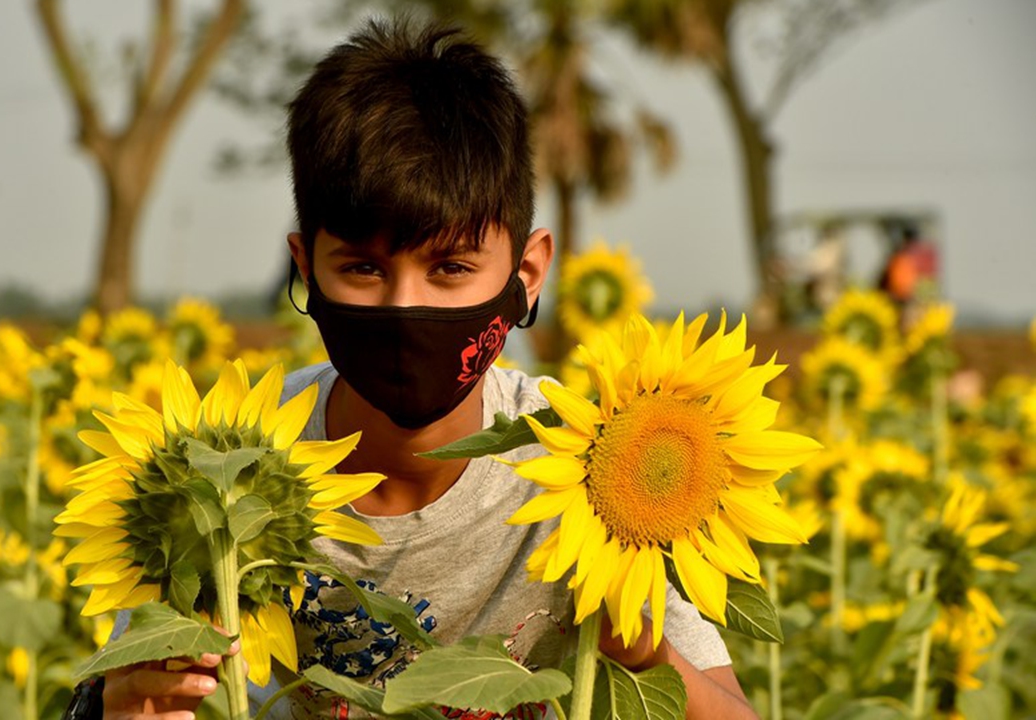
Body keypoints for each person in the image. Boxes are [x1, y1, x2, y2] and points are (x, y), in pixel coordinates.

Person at [98, 18, 755, 719]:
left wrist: (645, 654)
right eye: (362, 268)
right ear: (305, 270)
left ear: (527, 273)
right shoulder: (219, 478)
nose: (404, 307)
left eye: (452, 268)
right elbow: (131, 684)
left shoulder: (597, 465)